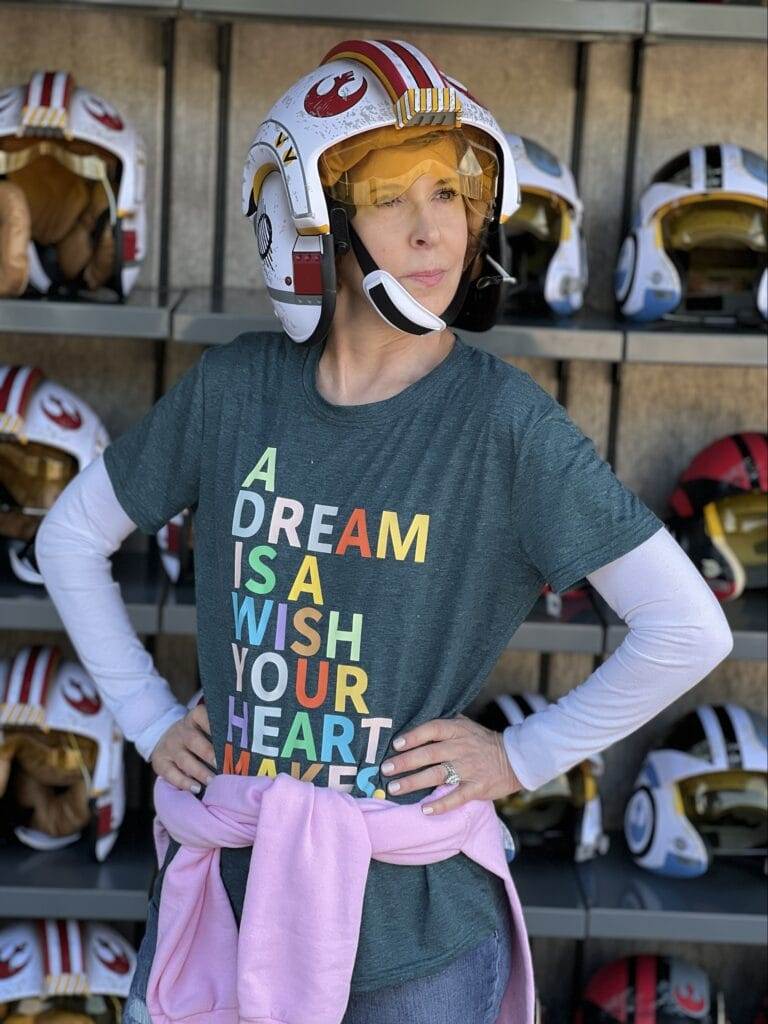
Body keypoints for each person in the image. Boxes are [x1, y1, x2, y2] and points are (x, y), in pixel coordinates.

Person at [34, 38, 733, 1024]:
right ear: (308, 218)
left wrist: (523, 755)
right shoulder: (237, 389)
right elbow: (69, 537)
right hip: (223, 891)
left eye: (449, 191)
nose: (430, 227)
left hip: (416, 947)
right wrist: (148, 718)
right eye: (391, 194)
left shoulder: (502, 424)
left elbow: (688, 629)